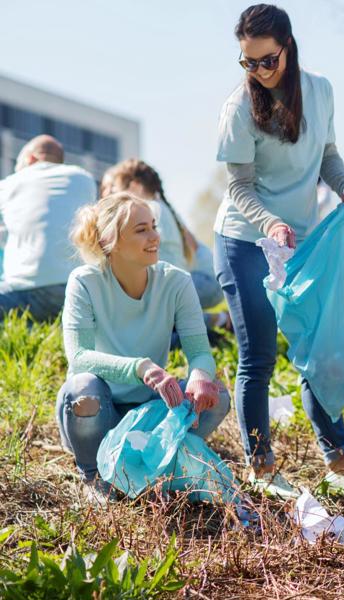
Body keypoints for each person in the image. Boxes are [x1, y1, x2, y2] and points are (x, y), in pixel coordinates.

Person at [214, 3, 344, 503]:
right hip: (246, 241)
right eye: (248, 63)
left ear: (288, 47)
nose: (259, 72)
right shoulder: (238, 110)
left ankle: (340, 463)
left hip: (303, 242)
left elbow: (328, 156)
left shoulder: (321, 90)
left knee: (319, 350)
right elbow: (239, 186)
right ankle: (260, 467)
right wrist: (269, 221)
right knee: (260, 355)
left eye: (268, 60)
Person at [57, 192, 231, 504]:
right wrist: (141, 368)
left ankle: (154, 465)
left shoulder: (176, 282)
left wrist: (200, 375)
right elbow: (79, 357)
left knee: (217, 399)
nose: (155, 237)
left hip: (149, 409)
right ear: (112, 240)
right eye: (141, 230)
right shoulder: (84, 281)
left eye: (153, 226)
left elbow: (200, 352)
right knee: (82, 388)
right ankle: (94, 476)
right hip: (99, 411)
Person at [101, 159, 230, 329]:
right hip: (202, 280)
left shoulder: (150, 211)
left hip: (203, 281)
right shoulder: (157, 208)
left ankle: (215, 321)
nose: (111, 196)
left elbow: (165, 275)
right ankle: (212, 320)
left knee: (152, 312)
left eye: (115, 190)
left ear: (135, 187)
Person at [0, 135, 97, 320]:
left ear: (30, 159)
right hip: (77, 294)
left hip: (24, 290)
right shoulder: (84, 178)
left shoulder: (11, 183)